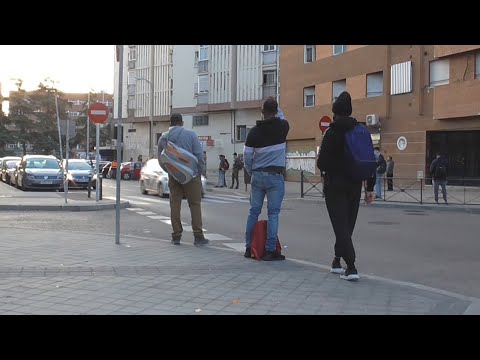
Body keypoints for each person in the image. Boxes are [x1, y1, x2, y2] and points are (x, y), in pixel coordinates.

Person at [317, 91, 376, 281]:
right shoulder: (360, 130)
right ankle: (336, 260)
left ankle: (351, 266)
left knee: (340, 224)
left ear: (335, 112)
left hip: (335, 184)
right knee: (347, 224)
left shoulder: (332, 133)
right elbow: (369, 158)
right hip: (355, 183)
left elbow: (322, 163)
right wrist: (370, 187)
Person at [243, 97, 290, 261]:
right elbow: (282, 116)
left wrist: (252, 171)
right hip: (274, 176)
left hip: (257, 175)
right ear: (276, 112)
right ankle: (270, 251)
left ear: (262, 113)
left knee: (253, 212)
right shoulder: (283, 127)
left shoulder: (254, 132)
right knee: (273, 214)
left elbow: (247, 156)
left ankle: (249, 248)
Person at [157, 113, 209, 246]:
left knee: (175, 204)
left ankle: (176, 236)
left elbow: (161, 160)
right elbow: (199, 155)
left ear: (170, 123)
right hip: (191, 175)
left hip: (173, 176)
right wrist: (198, 172)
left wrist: (171, 172)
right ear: (181, 122)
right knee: (195, 204)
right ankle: (198, 236)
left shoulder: (163, 138)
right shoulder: (191, 135)